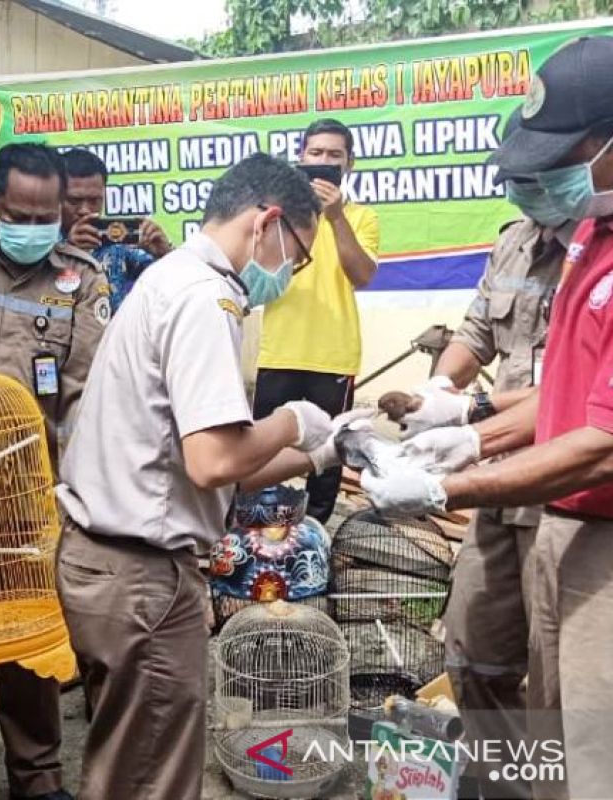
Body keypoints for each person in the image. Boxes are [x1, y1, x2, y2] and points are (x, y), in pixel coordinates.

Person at [361, 36, 613, 799]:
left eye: (560, 157)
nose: (541, 182)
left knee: (592, 736)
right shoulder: (590, 245)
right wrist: (467, 427)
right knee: (522, 688)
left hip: (590, 512)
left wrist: (447, 490)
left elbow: (602, 442)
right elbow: (565, 388)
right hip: (546, 499)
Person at [55, 153, 345, 799]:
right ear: (266, 222)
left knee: (126, 759)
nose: (291, 275)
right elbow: (214, 460)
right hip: (142, 576)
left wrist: (323, 452)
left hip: (107, 564)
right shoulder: (205, 297)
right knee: (154, 774)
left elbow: (211, 468)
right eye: (297, 256)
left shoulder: (170, 278)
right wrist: (294, 420)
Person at [0, 142, 109, 800]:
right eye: (19, 214)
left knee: (29, 636)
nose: (33, 228)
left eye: (47, 217)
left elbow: (86, 397)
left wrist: (74, 490)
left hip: (28, 497)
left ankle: (36, 779)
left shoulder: (81, 280)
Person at [425, 113, 571, 800]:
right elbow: (477, 331)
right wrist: (438, 390)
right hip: (497, 484)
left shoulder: (596, 253)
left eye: (529, 180)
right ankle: (506, 786)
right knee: (474, 651)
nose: (521, 195)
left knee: (557, 676)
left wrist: (471, 420)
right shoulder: (514, 243)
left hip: (568, 487)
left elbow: (575, 386)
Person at [253, 118, 380, 523]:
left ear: (350, 165)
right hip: (279, 350)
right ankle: (257, 541)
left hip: (334, 355)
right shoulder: (276, 215)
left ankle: (315, 538)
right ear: (301, 158)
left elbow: (362, 275)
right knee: (261, 451)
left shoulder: (361, 218)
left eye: (334, 155)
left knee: (325, 460)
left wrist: (337, 217)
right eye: (316, 153)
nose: (324, 161)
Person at [59, 147, 171, 312]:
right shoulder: (39, 246)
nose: (85, 210)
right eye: (74, 201)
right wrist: (68, 252)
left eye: (95, 200)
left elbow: (174, 285)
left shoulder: (116, 244)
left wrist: (163, 253)